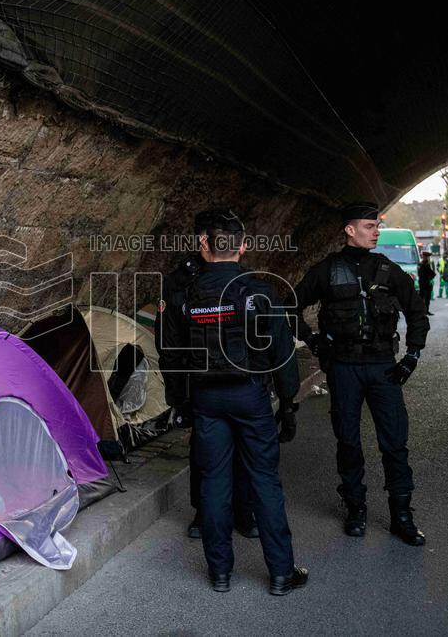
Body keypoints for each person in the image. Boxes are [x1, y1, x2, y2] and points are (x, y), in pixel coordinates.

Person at [159, 209, 307, 595]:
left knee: (213, 483)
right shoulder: (259, 292)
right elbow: (282, 354)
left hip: (206, 399)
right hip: (251, 397)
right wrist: (288, 404)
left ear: (202, 244)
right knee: (264, 482)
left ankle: (220, 573)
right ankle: (280, 573)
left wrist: (181, 404)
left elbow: (170, 356)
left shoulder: (182, 295)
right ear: (243, 247)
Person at [290, 201, 430, 547]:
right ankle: (356, 508)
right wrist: (314, 342)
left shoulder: (387, 269)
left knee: (395, 443)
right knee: (348, 441)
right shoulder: (326, 270)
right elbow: (290, 306)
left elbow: (416, 311)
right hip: (344, 369)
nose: (376, 231)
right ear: (350, 230)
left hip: (384, 368)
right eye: (369, 226)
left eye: (377, 226)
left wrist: (411, 355)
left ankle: (402, 515)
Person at [155, 211, 260, 541]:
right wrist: (177, 397)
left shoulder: (239, 276)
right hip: (197, 379)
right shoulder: (180, 282)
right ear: (202, 239)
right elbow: (168, 343)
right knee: (204, 453)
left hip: (238, 376)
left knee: (244, 451)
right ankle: (204, 512)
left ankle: (244, 511)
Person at [418, 251, 435, 316]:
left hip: (422, 284)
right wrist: (431, 276)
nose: (429, 258)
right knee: (426, 298)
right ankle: (425, 311)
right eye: (428, 257)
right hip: (426, 284)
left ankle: (423, 311)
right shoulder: (426, 265)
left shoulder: (420, 264)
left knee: (422, 297)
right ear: (426, 257)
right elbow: (432, 273)